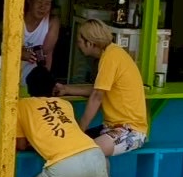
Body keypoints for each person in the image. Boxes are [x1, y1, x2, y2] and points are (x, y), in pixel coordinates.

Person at [55, 18, 149, 156]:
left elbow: (97, 96)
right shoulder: (112, 53)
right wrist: (67, 89)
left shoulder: (110, 57)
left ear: (90, 42)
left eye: (79, 41)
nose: (78, 45)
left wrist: (80, 130)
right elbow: (98, 89)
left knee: (83, 152)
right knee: (75, 148)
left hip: (130, 131)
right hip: (112, 128)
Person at [21, 0, 60, 81]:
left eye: (47, 4)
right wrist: (20, 54)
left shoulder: (52, 22)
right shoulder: (15, 18)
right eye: (39, 2)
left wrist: (44, 81)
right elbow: (4, 48)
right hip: (9, 77)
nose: (43, 7)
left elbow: (46, 52)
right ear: (29, 0)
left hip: (34, 80)